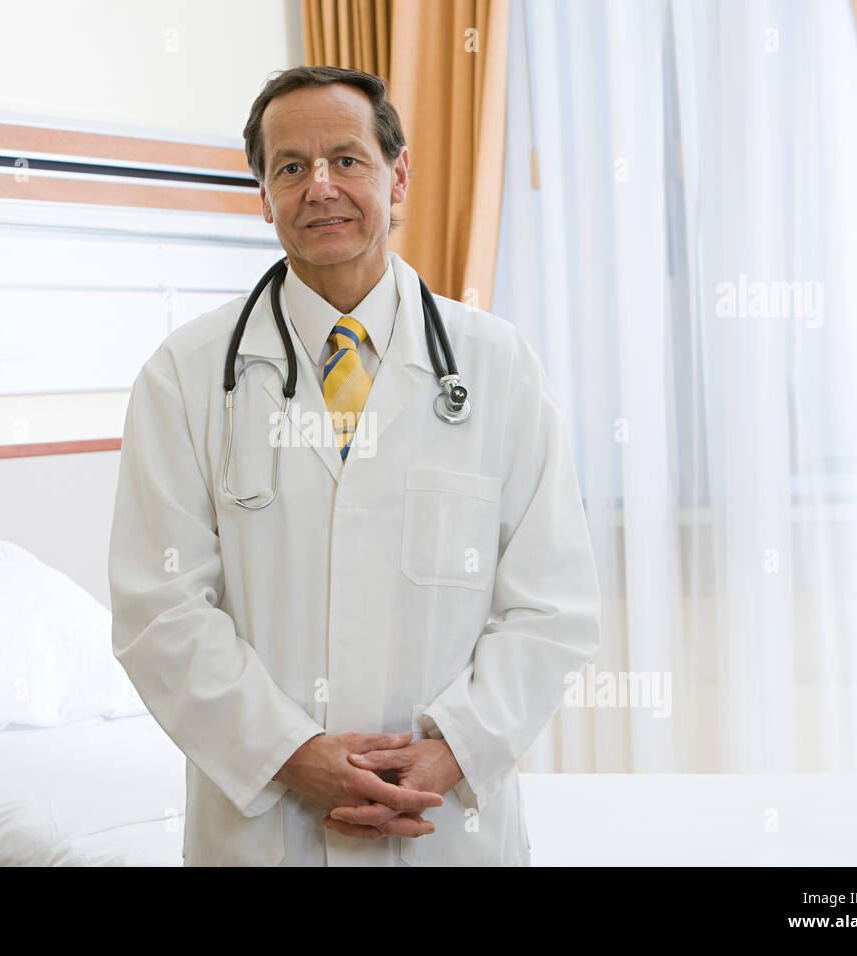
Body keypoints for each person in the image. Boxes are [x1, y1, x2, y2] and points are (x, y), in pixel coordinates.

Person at [108, 66, 600, 866]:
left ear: (397, 175)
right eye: (290, 168)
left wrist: (456, 749)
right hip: (268, 829)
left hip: (442, 823)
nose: (320, 188)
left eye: (347, 159)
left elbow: (553, 604)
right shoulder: (186, 375)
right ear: (263, 194)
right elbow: (158, 611)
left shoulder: (497, 365)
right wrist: (287, 754)